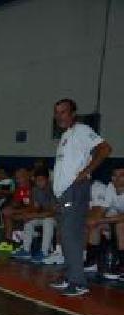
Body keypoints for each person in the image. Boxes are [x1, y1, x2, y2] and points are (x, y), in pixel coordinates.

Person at [50, 98, 112, 296]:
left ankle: (79, 282)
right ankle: (70, 275)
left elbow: (105, 149)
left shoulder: (82, 130)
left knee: (71, 235)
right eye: (57, 112)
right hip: (63, 193)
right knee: (65, 236)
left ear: (73, 113)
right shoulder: (66, 136)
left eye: (64, 112)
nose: (59, 116)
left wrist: (86, 172)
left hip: (75, 190)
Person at [10, 168, 57, 262]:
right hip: (44, 216)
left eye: (41, 180)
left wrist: (33, 215)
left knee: (48, 221)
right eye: (37, 181)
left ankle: (44, 252)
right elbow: (36, 207)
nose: (39, 183)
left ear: (47, 180)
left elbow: (52, 212)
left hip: (58, 218)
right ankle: (26, 250)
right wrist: (25, 215)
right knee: (29, 221)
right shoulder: (35, 190)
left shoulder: (54, 189)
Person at [85, 167, 124, 279]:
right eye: (114, 175)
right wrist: (95, 220)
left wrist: (100, 220)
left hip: (121, 221)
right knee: (95, 225)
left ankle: (122, 267)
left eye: (121, 175)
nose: (117, 178)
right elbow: (103, 209)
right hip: (116, 219)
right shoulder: (111, 187)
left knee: (121, 225)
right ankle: (91, 262)